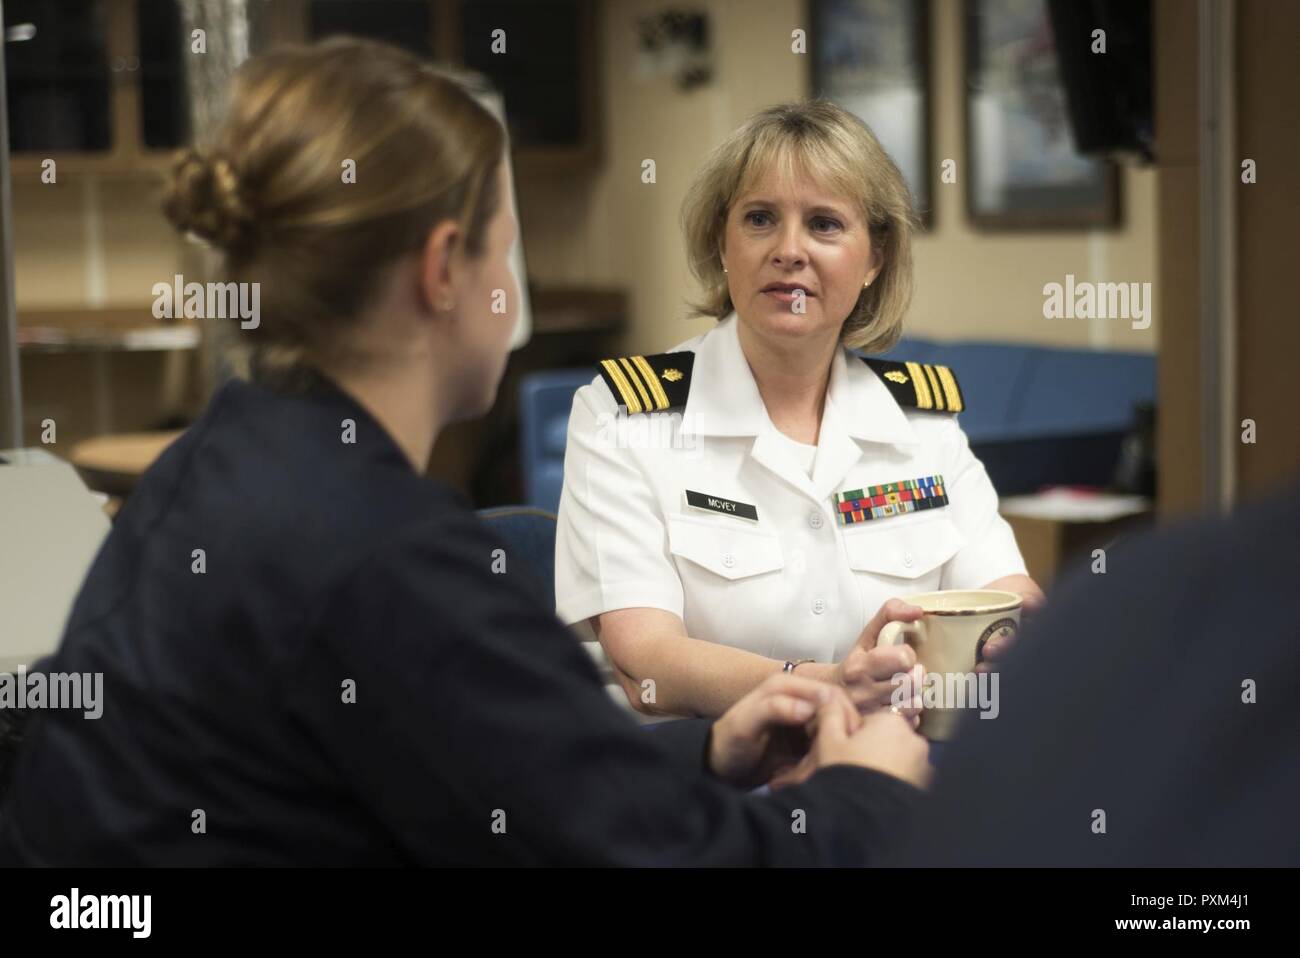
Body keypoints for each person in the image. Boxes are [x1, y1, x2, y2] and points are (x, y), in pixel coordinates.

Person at [0, 38, 929, 867]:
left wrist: (708, 748)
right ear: (447, 270)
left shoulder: (210, 463)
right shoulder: (394, 564)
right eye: (505, 253)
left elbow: (519, 781)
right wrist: (870, 793)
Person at [554, 101, 1045, 720]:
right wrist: (826, 686)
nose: (789, 250)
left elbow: (1002, 590)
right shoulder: (624, 417)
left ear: (875, 260)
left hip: (888, 766)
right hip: (705, 781)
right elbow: (645, 659)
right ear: (721, 243)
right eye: (760, 219)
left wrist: (1011, 636)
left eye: (824, 224)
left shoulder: (921, 423)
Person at [900, 480, 1300, 866]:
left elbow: (1000, 572)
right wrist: (836, 682)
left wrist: (1029, 630)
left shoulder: (1157, 591)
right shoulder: (1197, 585)